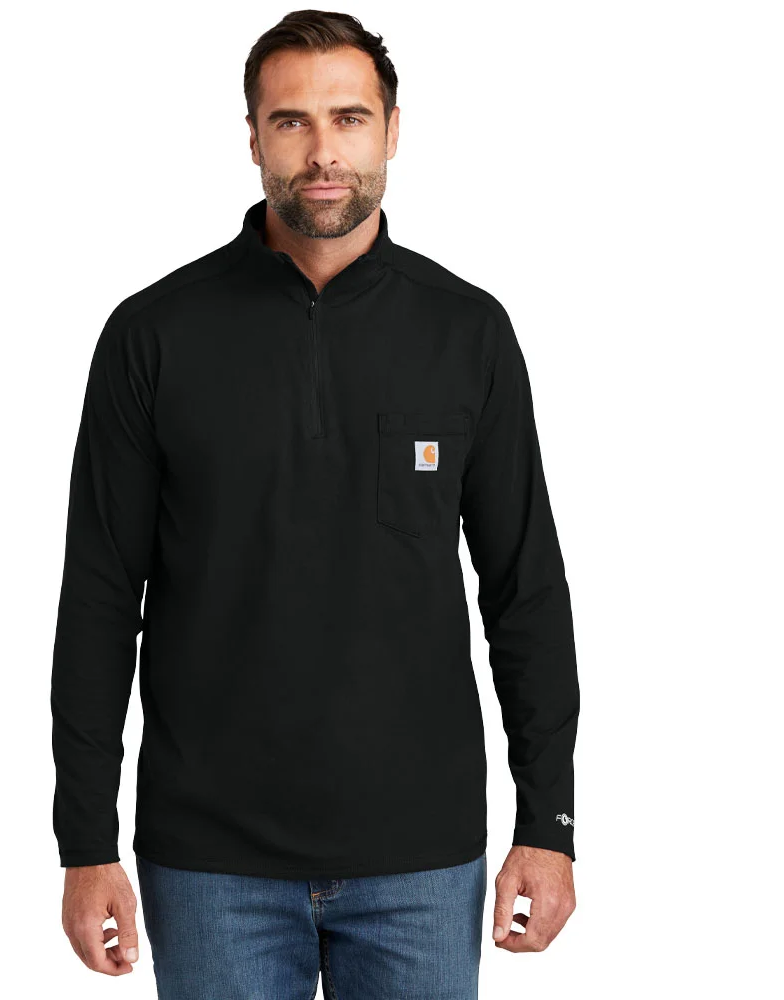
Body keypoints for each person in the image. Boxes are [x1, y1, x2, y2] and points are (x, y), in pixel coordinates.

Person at [51, 10, 579, 996]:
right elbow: (99, 598)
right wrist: (85, 842)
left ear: (392, 130)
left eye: (349, 118)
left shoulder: (467, 332)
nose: (322, 151)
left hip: (422, 858)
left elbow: (525, 591)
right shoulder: (153, 335)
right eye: (291, 121)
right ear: (253, 137)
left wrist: (548, 824)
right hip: (208, 861)